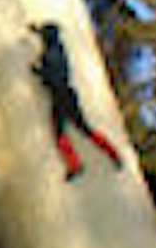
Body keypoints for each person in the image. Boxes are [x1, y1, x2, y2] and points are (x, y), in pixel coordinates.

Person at [29, 21, 123, 181]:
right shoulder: (56, 47)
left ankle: (76, 165)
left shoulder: (52, 52)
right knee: (84, 128)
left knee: (60, 132)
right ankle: (113, 155)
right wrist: (34, 31)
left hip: (60, 94)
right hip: (67, 93)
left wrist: (38, 72)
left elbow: (53, 75)